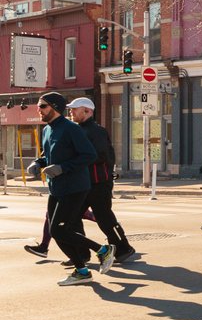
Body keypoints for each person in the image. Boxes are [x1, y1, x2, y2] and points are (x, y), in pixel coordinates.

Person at [28, 92, 113, 286]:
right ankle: (82, 270)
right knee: (57, 230)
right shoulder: (47, 130)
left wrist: (62, 168)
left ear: (55, 107)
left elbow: (89, 155)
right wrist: (37, 163)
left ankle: (102, 251)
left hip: (75, 187)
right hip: (56, 188)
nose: (38, 110)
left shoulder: (72, 129)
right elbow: (46, 155)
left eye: (43, 106)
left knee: (59, 230)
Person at [63, 97, 134, 263]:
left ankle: (123, 249)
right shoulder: (77, 130)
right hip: (82, 184)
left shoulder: (96, 131)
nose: (71, 112)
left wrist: (73, 160)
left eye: (75, 109)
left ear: (87, 111)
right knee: (71, 218)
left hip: (98, 183)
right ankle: (81, 254)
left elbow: (100, 155)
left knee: (105, 219)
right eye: (71, 109)